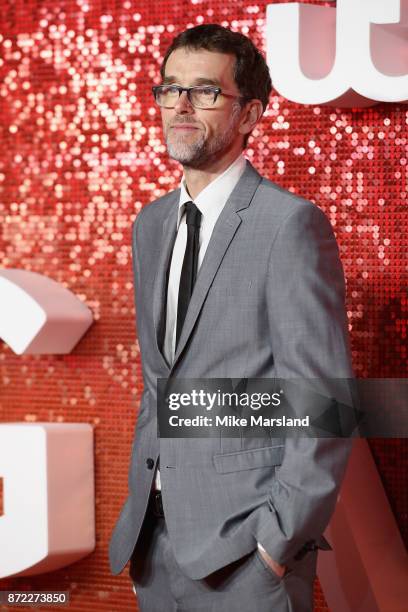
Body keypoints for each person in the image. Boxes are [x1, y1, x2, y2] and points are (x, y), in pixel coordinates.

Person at [109, 24, 354, 611]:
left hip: (246, 552)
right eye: (170, 90)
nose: (182, 106)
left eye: (206, 92)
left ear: (249, 116)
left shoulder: (288, 225)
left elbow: (323, 405)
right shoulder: (151, 225)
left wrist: (276, 542)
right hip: (153, 540)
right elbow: (159, 383)